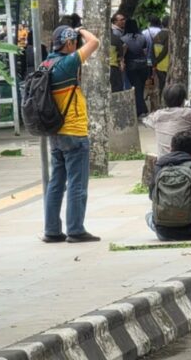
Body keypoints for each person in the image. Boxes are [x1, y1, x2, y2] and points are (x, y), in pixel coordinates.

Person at [41, 25, 101, 243]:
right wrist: (82, 30)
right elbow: (95, 42)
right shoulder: (67, 64)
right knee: (77, 183)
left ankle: (52, 230)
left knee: (56, 183)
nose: (76, 44)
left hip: (55, 133)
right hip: (74, 133)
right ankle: (75, 229)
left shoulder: (46, 63)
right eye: (74, 41)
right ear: (68, 43)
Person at [146, 131, 191, 241]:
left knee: (148, 215)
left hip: (164, 232)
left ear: (171, 148)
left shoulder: (159, 166)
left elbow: (152, 196)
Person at [143, 84, 191, 157]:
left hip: (163, 161)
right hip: (185, 162)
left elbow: (145, 120)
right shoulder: (187, 114)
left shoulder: (157, 115)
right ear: (183, 100)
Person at [122, 18, 151, 117]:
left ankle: (141, 109)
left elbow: (123, 54)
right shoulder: (142, 37)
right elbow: (145, 52)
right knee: (141, 87)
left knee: (136, 88)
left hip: (131, 66)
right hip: (143, 65)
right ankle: (141, 108)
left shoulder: (123, 38)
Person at [109, 19, 126, 93]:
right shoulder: (116, 39)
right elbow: (121, 55)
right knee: (116, 88)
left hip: (103, 67)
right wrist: (122, 64)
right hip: (114, 67)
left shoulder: (99, 40)